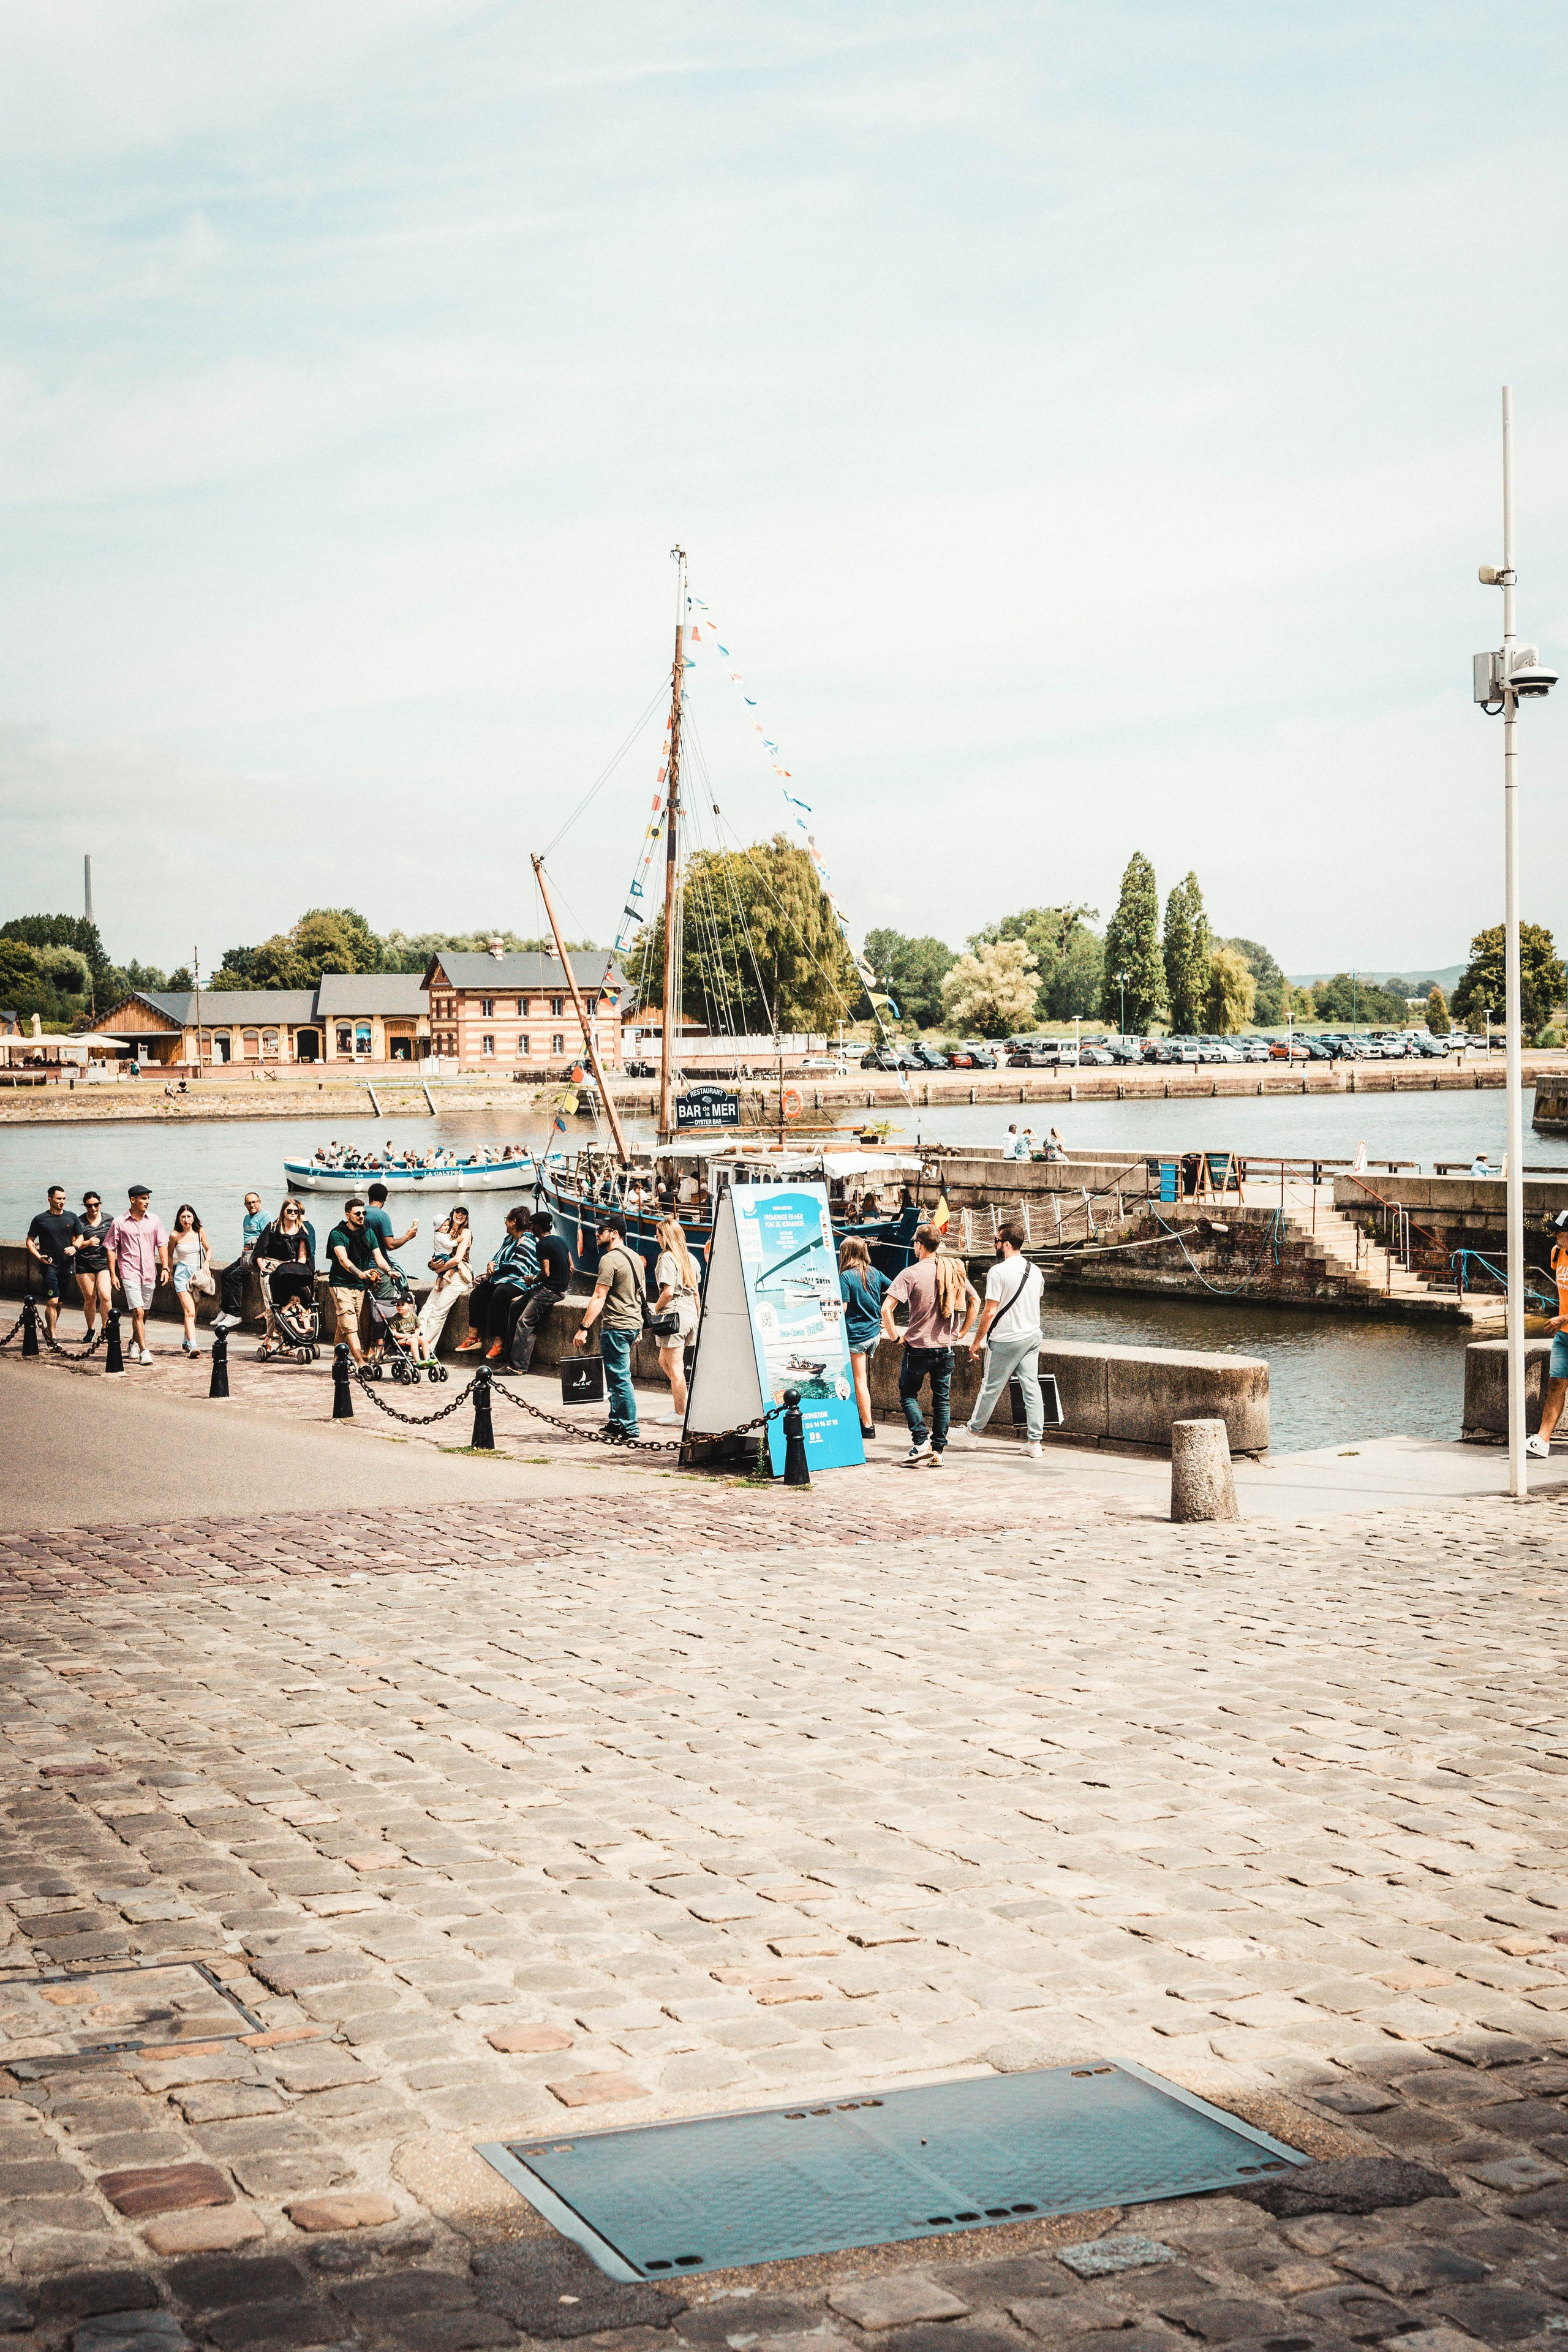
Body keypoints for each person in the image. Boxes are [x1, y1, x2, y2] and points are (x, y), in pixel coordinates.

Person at [880, 1226, 979, 1468]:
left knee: (908, 1394)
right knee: (942, 1400)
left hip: (918, 1347)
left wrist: (895, 1338)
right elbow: (975, 1300)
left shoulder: (910, 1273)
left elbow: (886, 1309)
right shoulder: (954, 1270)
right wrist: (963, 1332)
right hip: (946, 1348)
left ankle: (921, 1442)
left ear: (919, 1245)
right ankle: (938, 1451)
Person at [949, 1219, 1048, 1459]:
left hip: (1006, 1338)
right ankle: (1034, 1442)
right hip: (1032, 1335)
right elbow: (1036, 1301)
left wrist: (976, 1342)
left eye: (996, 1241)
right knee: (1031, 1387)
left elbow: (990, 1311)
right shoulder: (1035, 1270)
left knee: (990, 1387)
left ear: (1006, 1244)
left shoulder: (998, 1272)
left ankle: (972, 1433)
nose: (994, 1244)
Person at [572, 1213, 646, 1439]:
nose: (596, 1234)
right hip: (632, 1323)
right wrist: (640, 1327)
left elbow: (599, 1296)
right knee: (615, 1377)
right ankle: (616, 1423)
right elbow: (638, 1295)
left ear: (614, 1234)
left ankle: (631, 1427)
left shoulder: (609, 1260)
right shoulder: (635, 1257)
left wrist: (584, 1327)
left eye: (601, 1231)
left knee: (620, 1378)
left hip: (616, 1325)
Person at [456, 1207, 538, 1360]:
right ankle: (474, 1337)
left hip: (520, 1279)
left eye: (507, 1220)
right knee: (478, 1294)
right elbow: (499, 1257)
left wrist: (496, 1268)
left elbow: (518, 1265)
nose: (505, 1224)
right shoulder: (510, 1239)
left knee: (500, 1296)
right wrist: (492, 1264)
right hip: (502, 1276)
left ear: (514, 1222)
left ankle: (499, 1342)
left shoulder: (526, 1239)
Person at [324, 1197, 394, 1363]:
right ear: (348, 1215)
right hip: (341, 1285)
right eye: (357, 1214)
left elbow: (379, 1258)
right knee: (351, 1326)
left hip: (359, 1288)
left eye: (364, 1213)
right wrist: (360, 1273)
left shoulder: (368, 1233)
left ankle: (337, 1361)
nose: (362, 1216)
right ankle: (360, 1363)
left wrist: (390, 1271)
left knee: (345, 1326)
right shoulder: (337, 1233)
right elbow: (343, 1260)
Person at [105, 1185, 170, 1364]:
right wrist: (113, 1274)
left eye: (148, 1198)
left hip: (150, 1272)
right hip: (129, 1272)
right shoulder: (119, 1223)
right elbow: (111, 1248)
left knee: (145, 1313)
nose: (147, 1202)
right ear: (133, 1200)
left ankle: (133, 1341)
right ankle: (144, 1351)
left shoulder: (154, 1220)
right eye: (143, 1198)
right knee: (138, 1312)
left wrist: (165, 1267)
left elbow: (162, 1244)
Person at [838, 1235, 889, 1441]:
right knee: (859, 1379)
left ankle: (867, 1425)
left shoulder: (846, 1277)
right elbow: (894, 1290)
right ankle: (858, 1418)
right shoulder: (875, 1273)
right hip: (874, 1334)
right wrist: (883, 1317)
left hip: (856, 1337)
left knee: (859, 1381)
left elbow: (842, 1310)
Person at [509, 1212, 571, 1374]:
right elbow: (572, 1267)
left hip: (549, 1290)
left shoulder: (542, 1244)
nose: (530, 1229)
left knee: (525, 1322)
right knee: (516, 1307)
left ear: (537, 1226)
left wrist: (533, 1280)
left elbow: (546, 1272)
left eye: (532, 1226)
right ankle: (510, 1352)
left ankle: (517, 1366)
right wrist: (563, 1283)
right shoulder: (561, 1241)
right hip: (560, 1289)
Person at [651, 1218, 701, 1423]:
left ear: (667, 1237)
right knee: (664, 1361)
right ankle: (684, 1405)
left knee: (676, 1368)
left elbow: (668, 1292)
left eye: (659, 1235)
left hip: (674, 1316)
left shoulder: (667, 1259)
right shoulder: (691, 1258)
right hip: (690, 1315)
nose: (657, 1238)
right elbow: (697, 1293)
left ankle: (681, 1413)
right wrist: (697, 1318)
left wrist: (656, 1308)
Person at [1527, 1211, 1568, 1459]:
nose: (1555, 1235)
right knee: (1556, 1384)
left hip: (1563, 1324)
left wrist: (1563, 1317)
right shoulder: (1556, 1254)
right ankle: (1542, 1441)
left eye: (1559, 1231)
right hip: (1564, 1335)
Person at [254, 1198, 317, 1355]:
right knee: (271, 1307)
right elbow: (260, 1251)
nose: (293, 1214)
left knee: (288, 1304)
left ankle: (281, 1342)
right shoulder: (273, 1228)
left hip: (290, 1269)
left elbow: (303, 1255)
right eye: (290, 1211)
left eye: (296, 1212)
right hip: (272, 1267)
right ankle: (271, 1340)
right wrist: (262, 1267)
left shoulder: (301, 1230)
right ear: (283, 1212)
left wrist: (298, 1269)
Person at [25, 1184, 81, 1347]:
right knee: (52, 1301)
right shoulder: (40, 1219)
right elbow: (29, 1241)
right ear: (50, 1199)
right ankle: (53, 1338)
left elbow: (81, 1236)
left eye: (64, 1199)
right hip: (49, 1266)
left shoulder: (72, 1217)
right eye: (58, 1199)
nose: (62, 1202)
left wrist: (75, 1247)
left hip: (67, 1265)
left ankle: (50, 1331)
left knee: (60, 1303)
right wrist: (38, 1256)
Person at [417, 1207, 473, 1357]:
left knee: (438, 1313)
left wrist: (438, 1269)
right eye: (457, 1212)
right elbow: (436, 1255)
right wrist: (433, 1265)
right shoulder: (444, 1232)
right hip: (444, 1274)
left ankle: (422, 1347)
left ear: (467, 1217)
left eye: (464, 1213)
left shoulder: (465, 1233)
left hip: (458, 1276)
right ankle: (420, 1344)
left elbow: (457, 1258)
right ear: (452, 1214)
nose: (460, 1215)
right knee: (427, 1308)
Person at [214, 1191, 268, 1333]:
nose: (252, 1205)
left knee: (235, 1276)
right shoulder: (246, 1218)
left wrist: (259, 1258)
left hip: (257, 1256)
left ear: (260, 1202)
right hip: (246, 1255)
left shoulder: (265, 1217)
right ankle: (225, 1311)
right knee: (225, 1273)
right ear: (245, 1205)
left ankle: (235, 1314)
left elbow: (268, 1239)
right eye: (249, 1203)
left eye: (254, 1202)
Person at [167, 1204, 213, 1356]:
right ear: (179, 1219)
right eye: (183, 1217)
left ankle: (187, 1340)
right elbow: (169, 1256)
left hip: (198, 1276)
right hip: (182, 1275)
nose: (186, 1220)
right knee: (190, 1311)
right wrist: (169, 1273)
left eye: (189, 1217)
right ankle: (194, 1345)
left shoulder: (199, 1232)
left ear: (194, 1218)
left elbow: (209, 1249)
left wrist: (206, 1263)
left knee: (195, 1310)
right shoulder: (174, 1235)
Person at [73, 1190, 113, 1343]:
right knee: (90, 1298)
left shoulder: (109, 1220)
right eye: (89, 1206)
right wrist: (87, 1243)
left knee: (105, 1295)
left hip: (104, 1263)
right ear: (85, 1206)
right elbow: (73, 1244)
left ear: (100, 1204)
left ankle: (106, 1328)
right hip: (84, 1263)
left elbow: (116, 1240)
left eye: (96, 1205)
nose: (93, 1208)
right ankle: (91, 1329)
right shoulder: (79, 1222)